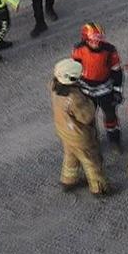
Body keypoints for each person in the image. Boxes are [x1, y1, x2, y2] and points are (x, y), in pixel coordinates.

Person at [50, 58, 110, 196]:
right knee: (91, 161)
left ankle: (69, 180)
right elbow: (87, 117)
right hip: (80, 137)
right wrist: (90, 101)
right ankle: (99, 188)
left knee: (70, 155)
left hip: (64, 130)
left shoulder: (54, 86)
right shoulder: (76, 98)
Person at [71, 23, 125, 147]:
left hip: (105, 90)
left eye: (98, 40)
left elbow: (117, 72)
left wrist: (117, 91)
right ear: (86, 39)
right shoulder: (78, 50)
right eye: (92, 40)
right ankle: (92, 142)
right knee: (88, 118)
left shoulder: (110, 50)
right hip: (86, 91)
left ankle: (115, 140)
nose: (96, 43)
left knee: (111, 116)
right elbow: (74, 70)